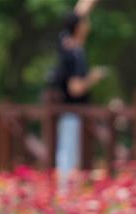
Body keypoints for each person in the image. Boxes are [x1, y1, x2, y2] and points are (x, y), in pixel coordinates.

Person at [53, 0, 107, 187]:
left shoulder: (68, 45)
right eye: (85, 22)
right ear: (79, 27)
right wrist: (93, 77)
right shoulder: (74, 53)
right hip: (72, 112)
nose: (88, 25)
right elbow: (75, 87)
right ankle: (66, 194)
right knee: (69, 155)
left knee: (70, 154)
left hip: (70, 113)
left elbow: (76, 15)